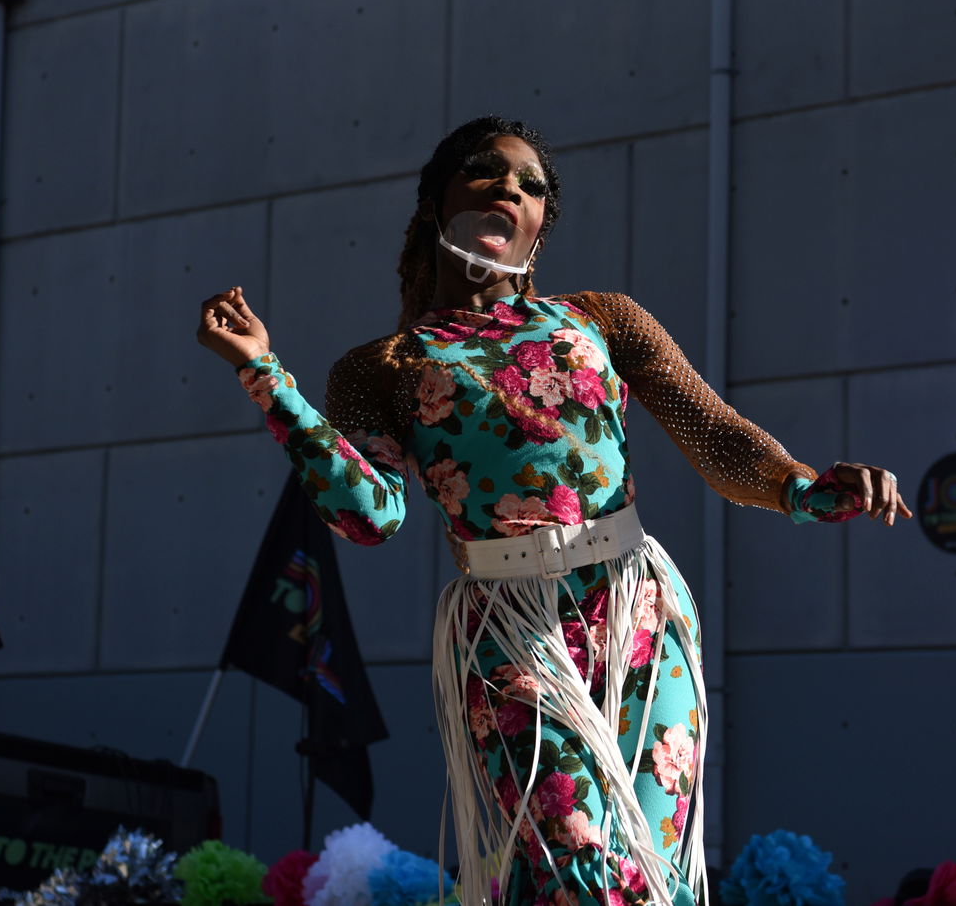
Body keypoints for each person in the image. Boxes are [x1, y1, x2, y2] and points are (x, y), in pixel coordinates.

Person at [196, 116, 912, 906]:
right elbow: (368, 515)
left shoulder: (603, 318)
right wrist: (268, 377)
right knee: (584, 876)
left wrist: (806, 491)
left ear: (542, 222)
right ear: (438, 200)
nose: (511, 186)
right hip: (507, 631)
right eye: (486, 170)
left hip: (640, 613)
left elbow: (715, 434)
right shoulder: (382, 368)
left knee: (657, 884)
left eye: (532, 183)